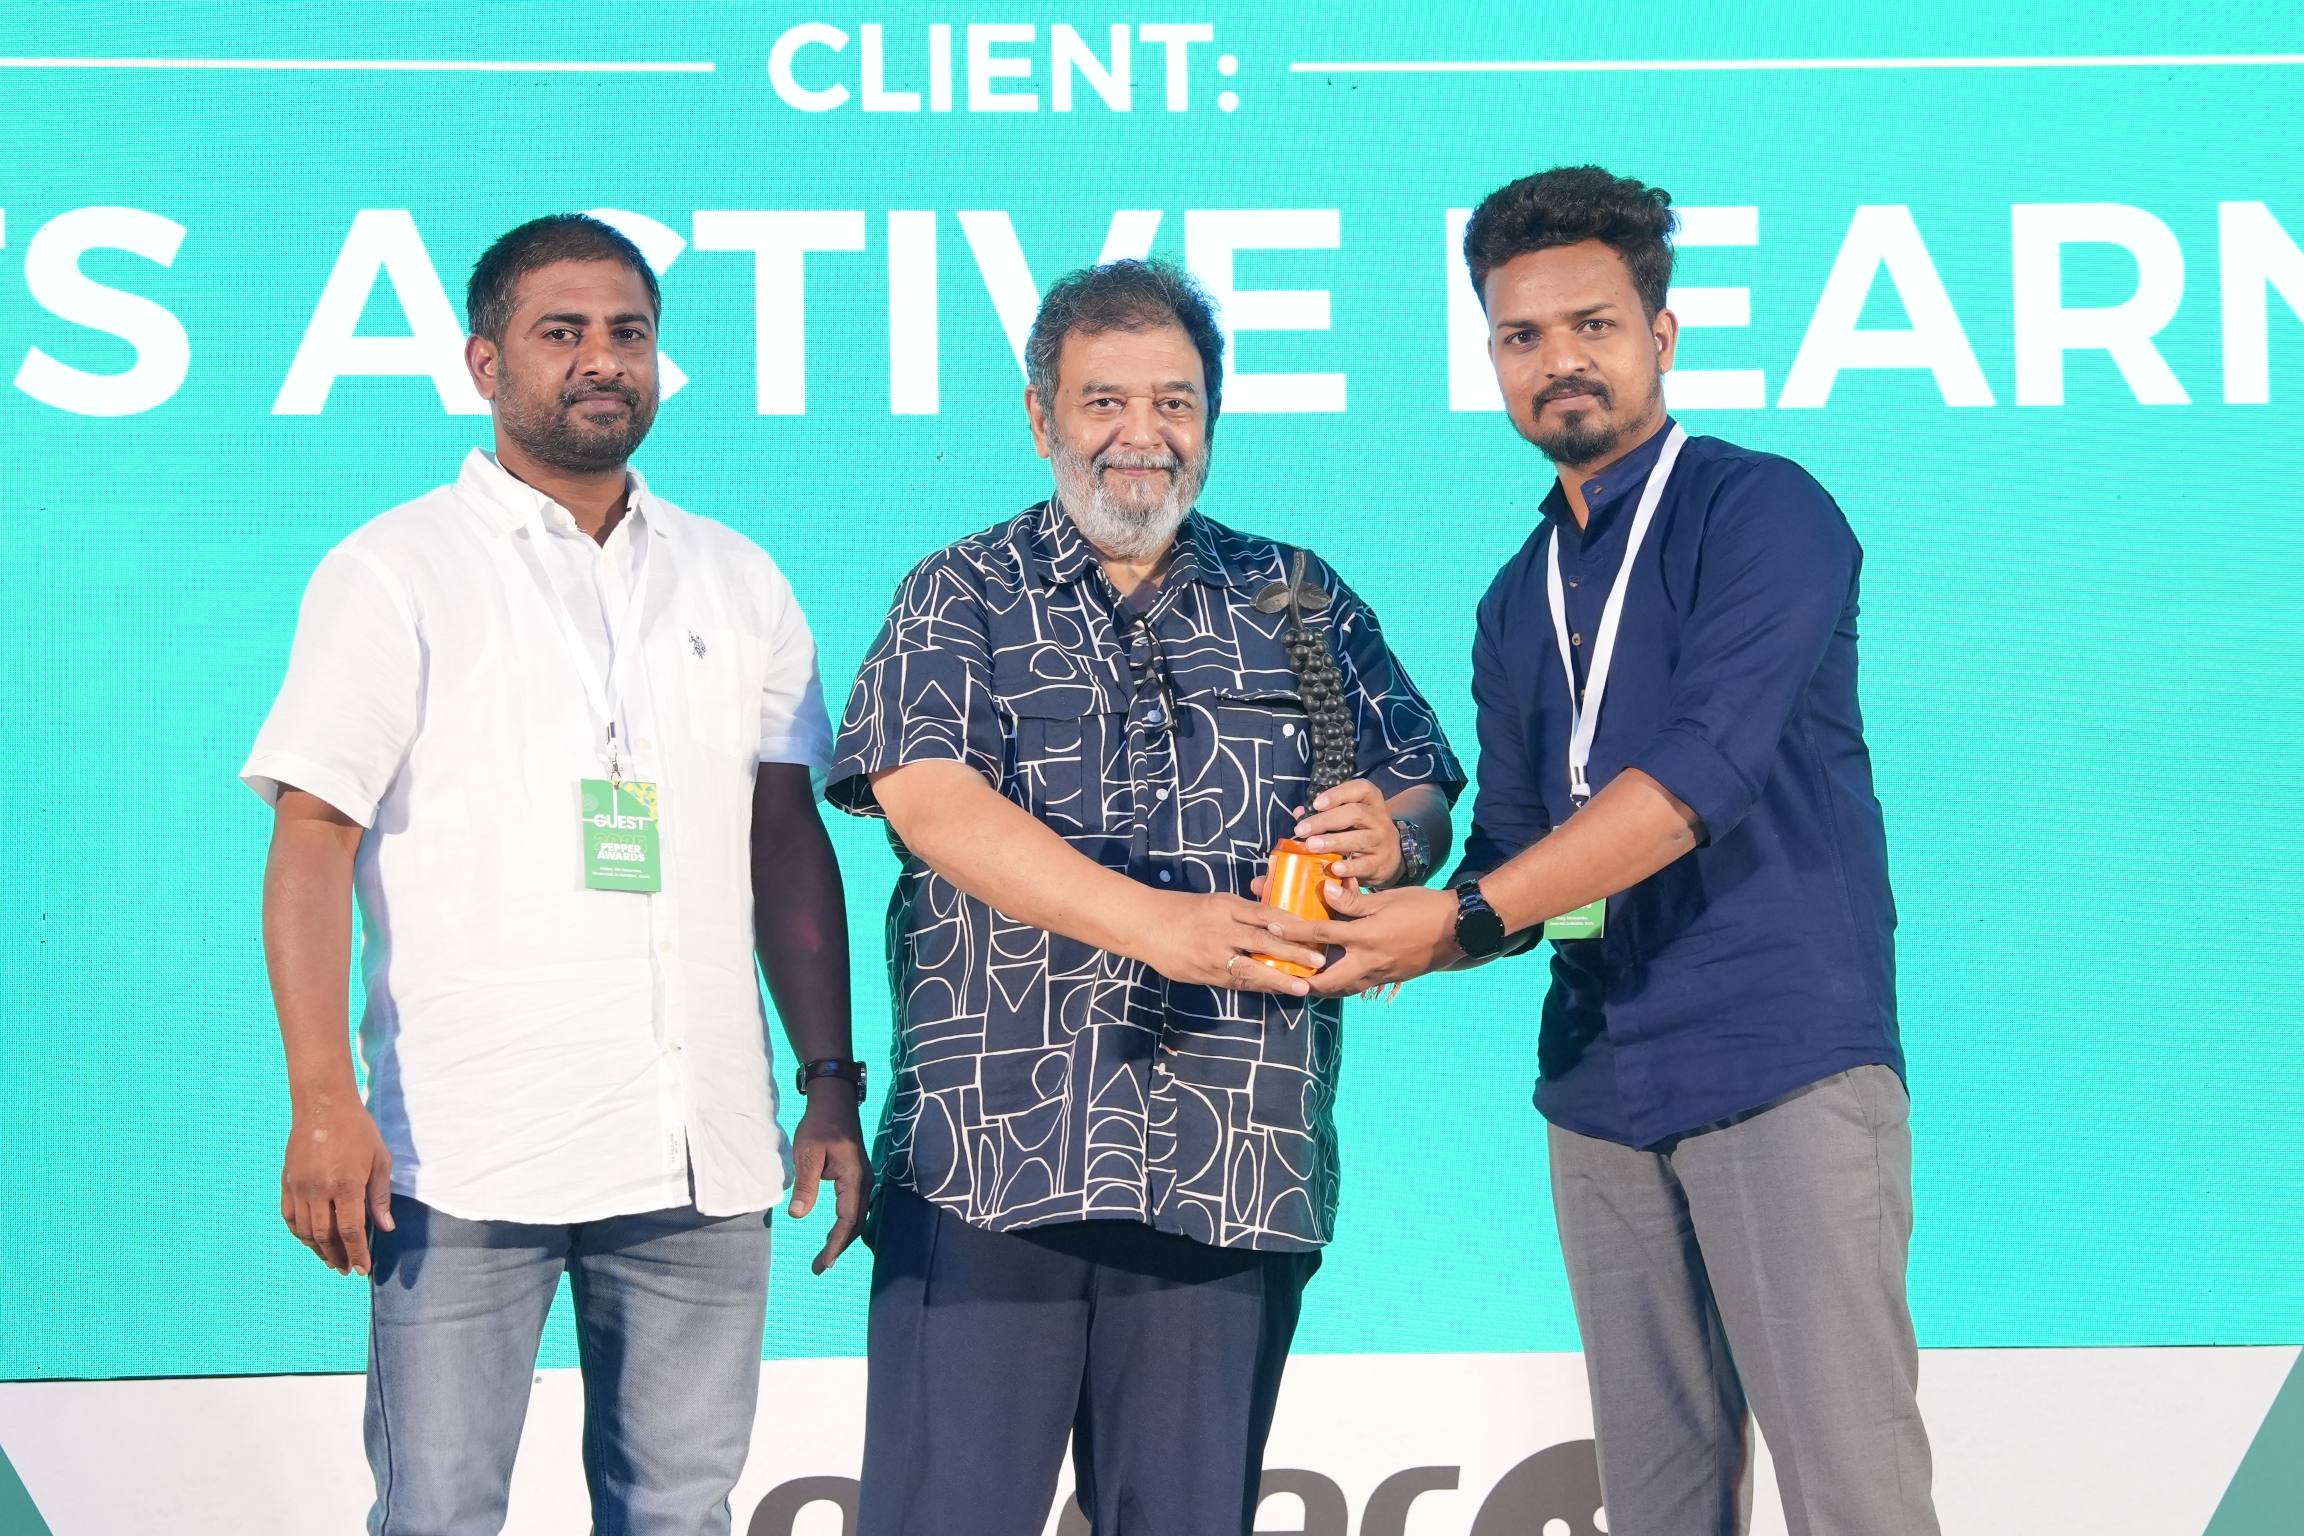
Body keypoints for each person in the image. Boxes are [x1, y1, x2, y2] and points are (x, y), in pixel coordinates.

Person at [1268, 167, 1938, 1535]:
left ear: (1661, 335)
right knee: (1657, 1504)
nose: (1559, 360)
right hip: (1600, 1085)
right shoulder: (1515, 599)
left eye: (1593, 325)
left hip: (1780, 1056)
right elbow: (1517, 860)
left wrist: (1459, 920)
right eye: (1522, 336)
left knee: (1852, 1493)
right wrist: (1389, 900)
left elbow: (1698, 782)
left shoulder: (1765, 513)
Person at [243, 213, 871, 1536]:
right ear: (485, 362)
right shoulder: (394, 570)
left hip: (701, 1154)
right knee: (438, 1516)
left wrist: (829, 1081)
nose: (603, 359)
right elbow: (311, 835)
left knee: (681, 1517)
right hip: (469, 1156)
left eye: (629, 333)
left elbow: (786, 842)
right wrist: (322, 1102)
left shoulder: (737, 575)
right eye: (562, 332)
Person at [827, 257, 1463, 1535]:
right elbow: (929, 800)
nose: (1142, 434)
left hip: (1236, 1155)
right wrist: (1160, 928)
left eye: (1175, 403)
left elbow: (1422, 787)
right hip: (993, 1157)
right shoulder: (962, 589)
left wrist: (1394, 840)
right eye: (1105, 400)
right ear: (1041, 418)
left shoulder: (1297, 595)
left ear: (1210, 421)